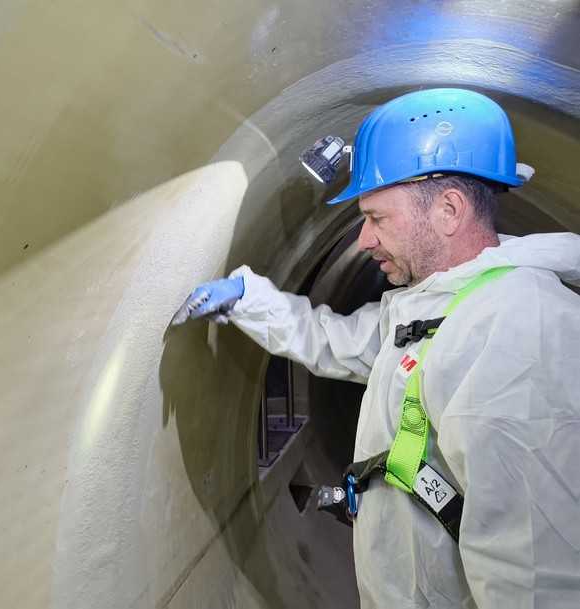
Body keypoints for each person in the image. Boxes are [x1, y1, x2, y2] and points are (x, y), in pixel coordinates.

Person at [172, 89, 580, 608]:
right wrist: (250, 299)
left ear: (449, 210)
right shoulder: (437, 308)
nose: (364, 239)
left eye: (377, 218)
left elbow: (537, 570)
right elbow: (336, 342)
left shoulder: (518, 330)